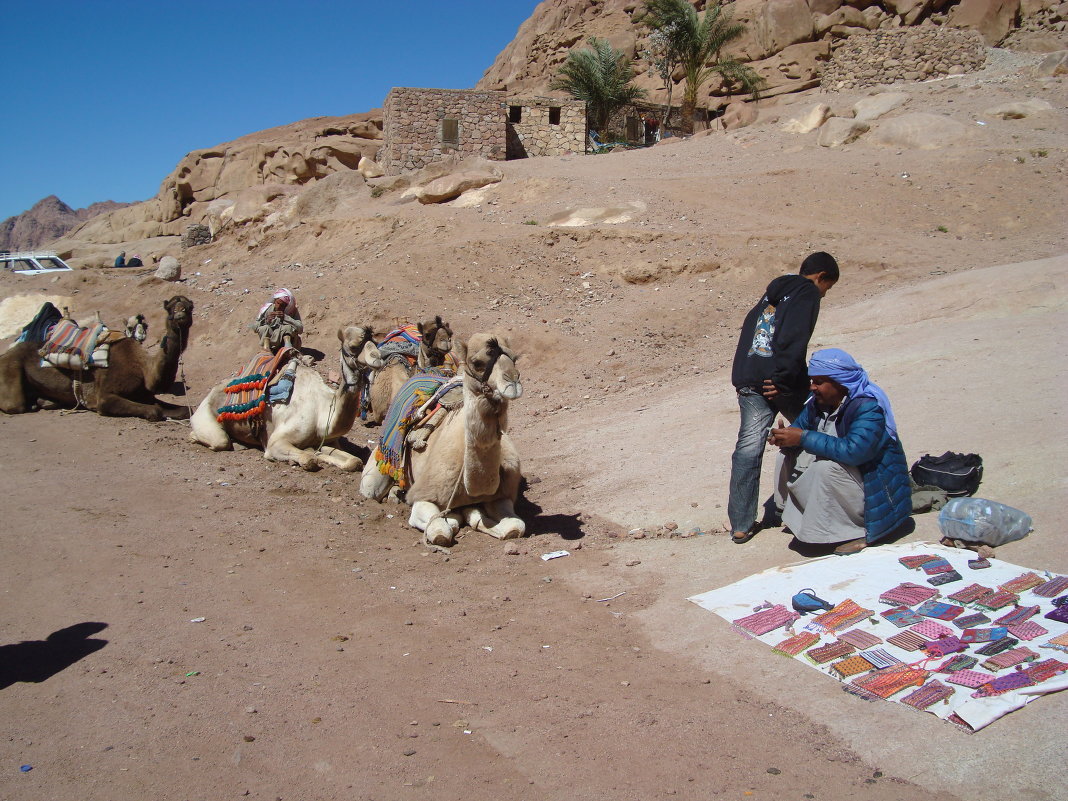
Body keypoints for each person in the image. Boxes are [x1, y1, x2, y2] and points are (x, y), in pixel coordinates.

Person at [727, 251, 839, 544]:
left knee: (749, 448)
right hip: (779, 380)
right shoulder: (806, 292)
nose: (825, 294)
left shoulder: (769, 297)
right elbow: (793, 339)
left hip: (748, 378)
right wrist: (785, 381)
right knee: (818, 434)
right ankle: (822, 508)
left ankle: (741, 523)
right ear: (821, 277)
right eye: (829, 287)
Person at [769, 349, 911, 555]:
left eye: (818, 382)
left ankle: (856, 530)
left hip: (874, 485)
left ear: (840, 383)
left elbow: (855, 452)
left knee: (825, 469)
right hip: (851, 476)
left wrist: (802, 437)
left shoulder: (868, 407)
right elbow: (801, 429)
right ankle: (804, 516)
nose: (812, 387)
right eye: (812, 381)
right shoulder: (817, 403)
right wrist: (784, 438)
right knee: (787, 455)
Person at [251, 288, 303, 352]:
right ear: (275, 300)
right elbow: (254, 327)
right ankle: (267, 348)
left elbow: (300, 328)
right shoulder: (267, 309)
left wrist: (286, 318)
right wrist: (266, 320)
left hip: (287, 341)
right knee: (264, 328)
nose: (279, 307)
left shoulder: (292, 311)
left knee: (287, 328)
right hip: (270, 339)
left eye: (283, 305)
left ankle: (288, 349)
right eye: (278, 303)